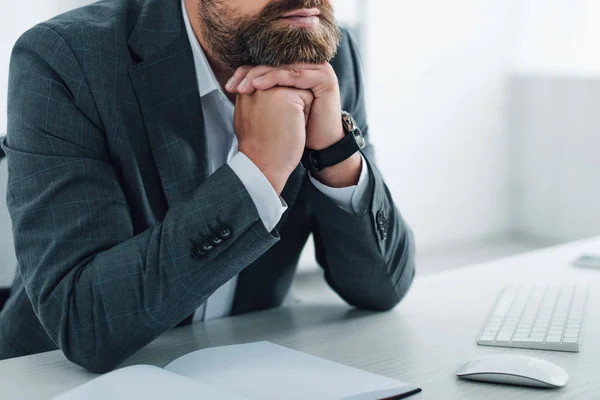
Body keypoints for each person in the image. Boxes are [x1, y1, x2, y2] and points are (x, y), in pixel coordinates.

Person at [0, 0, 415, 373]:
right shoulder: (65, 58)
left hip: (250, 364)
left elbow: (382, 287)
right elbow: (84, 321)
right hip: (48, 376)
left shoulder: (319, 52)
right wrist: (259, 172)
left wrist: (335, 155)